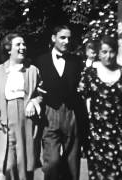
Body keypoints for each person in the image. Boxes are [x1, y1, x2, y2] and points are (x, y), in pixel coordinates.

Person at [77, 35, 122, 180]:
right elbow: (80, 98)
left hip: (121, 134)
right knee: (100, 174)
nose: (108, 56)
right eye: (104, 52)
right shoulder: (89, 75)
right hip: (98, 136)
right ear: (98, 53)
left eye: (112, 51)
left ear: (116, 52)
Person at [0, 33, 44, 180]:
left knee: (25, 163)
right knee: (7, 164)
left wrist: (33, 102)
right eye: (18, 44)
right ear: (8, 49)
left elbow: (41, 94)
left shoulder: (32, 70)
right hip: (4, 119)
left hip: (26, 120)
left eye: (24, 44)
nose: (23, 47)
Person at [35, 25, 83, 180]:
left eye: (69, 38)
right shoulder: (41, 61)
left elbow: (82, 86)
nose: (66, 41)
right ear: (53, 38)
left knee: (72, 160)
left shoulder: (76, 61)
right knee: (52, 162)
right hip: (50, 113)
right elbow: (35, 86)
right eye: (63, 37)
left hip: (71, 113)